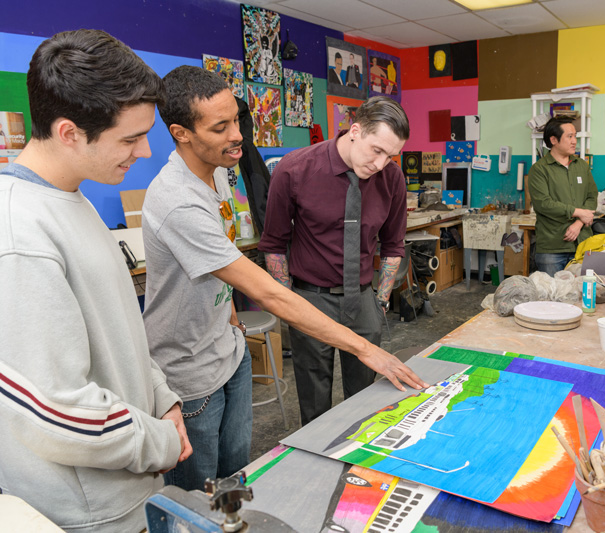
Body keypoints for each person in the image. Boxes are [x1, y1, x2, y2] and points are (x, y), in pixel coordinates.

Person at [144, 70, 425, 489]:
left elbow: (393, 244)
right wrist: (357, 341)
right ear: (182, 133)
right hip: (199, 361)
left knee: (234, 474)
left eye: (236, 121)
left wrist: (233, 324)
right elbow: (267, 273)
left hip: (234, 346)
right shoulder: (187, 199)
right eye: (221, 127)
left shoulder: (219, 173)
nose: (237, 137)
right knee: (201, 488)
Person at [0, 29, 191, 532]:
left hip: (131, 484)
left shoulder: (72, 198)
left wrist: (162, 397)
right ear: (69, 133)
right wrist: (161, 441)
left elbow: (118, 330)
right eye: (129, 138)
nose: (145, 152)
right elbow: (53, 411)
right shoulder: (19, 233)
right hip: (91, 512)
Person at [259, 96, 411, 425]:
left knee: (367, 401)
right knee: (314, 403)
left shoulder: (392, 179)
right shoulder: (294, 170)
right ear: (354, 130)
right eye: (377, 150)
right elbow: (273, 244)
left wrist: (380, 300)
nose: (381, 164)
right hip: (310, 299)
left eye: (391, 155)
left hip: (364, 298)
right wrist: (289, 303)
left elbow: (393, 245)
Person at [527, 116, 598, 276]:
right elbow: (543, 204)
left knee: (582, 296)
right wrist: (579, 212)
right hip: (553, 248)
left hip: (583, 245)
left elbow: (592, 197)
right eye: (569, 136)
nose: (574, 141)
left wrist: (578, 223)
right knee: (553, 298)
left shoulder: (581, 165)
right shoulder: (539, 170)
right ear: (553, 139)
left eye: (575, 136)